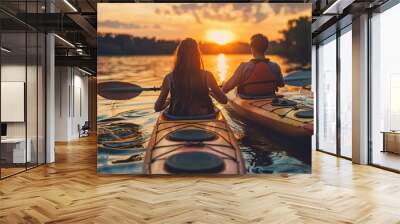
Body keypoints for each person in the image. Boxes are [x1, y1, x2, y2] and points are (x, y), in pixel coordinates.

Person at [154, 38, 227, 116]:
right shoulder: (207, 76)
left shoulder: (169, 78)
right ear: (197, 55)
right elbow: (224, 100)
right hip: (204, 115)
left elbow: (157, 107)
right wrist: (210, 92)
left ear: (179, 56)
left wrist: (169, 101)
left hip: (177, 116)